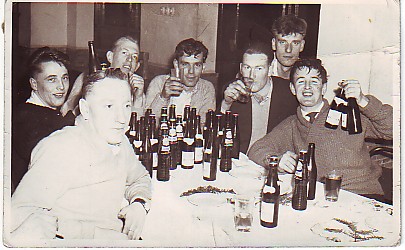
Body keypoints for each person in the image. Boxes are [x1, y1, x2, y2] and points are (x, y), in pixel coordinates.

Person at [11, 69, 152, 241]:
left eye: (127, 105)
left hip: (116, 235)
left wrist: (139, 204)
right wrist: (93, 235)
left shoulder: (119, 140)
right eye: (109, 106)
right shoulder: (59, 148)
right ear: (85, 109)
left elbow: (140, 177)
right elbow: (20, 214)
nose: (122, 118)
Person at [248, 58, 393, 197]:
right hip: (322, 197)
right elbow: (256, 149)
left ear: (324, 88)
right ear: (292, 89)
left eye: (314, 81)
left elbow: (395, 129)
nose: (307, 87)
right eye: (301, 81)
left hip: (362, 193)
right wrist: (276, 160)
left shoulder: (349, 113)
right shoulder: (291, 125)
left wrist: (363, 101)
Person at [12, 47, 76, 191]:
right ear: (34, 84)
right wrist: (72, 108)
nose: (61, 87)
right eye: (52, 80)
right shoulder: (24, 117)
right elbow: (56, 158)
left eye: (64, 78)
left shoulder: (50, 112)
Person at [220, 42, 298, 153]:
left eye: (259, 69)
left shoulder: (288, 92)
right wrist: (226, 104)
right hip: (240, 161)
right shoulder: (233, 90)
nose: (252, 75)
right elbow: (218, 133)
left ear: (270, 70)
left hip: (273, 162)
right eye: (247, 67)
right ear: (241, 68)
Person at [62, 36, 145, 116]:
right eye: (124, 53)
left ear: (137, 66)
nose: (129, 59)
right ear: (110, 57)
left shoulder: (136, 88)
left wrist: (138, 98)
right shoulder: (88, 77)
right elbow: (65, 112)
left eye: (134, 56)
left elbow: (135, 124)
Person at [145, 38, 216, 121]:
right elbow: (147, 122)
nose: (191, 72)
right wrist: (163, 97)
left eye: (197, 65)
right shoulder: (158, 83)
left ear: (203, 67)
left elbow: (204, 125)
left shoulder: (206, 88)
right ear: (176, 64)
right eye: (185, 64)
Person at [270, 14, 307, 79]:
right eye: (282, 42)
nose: (288, 50)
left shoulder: (307, 77)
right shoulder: (262, 74)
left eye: (295, 43)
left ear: (302, 46)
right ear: (274, 44)